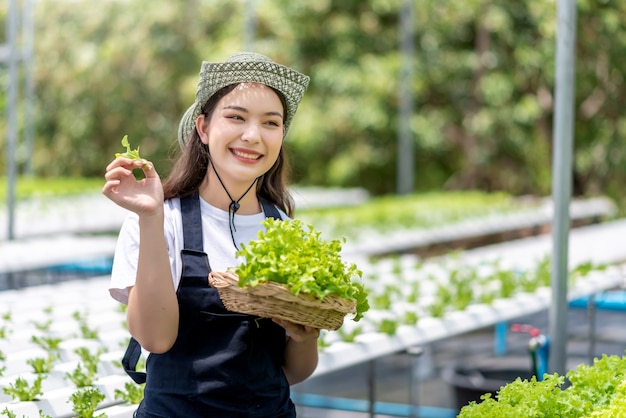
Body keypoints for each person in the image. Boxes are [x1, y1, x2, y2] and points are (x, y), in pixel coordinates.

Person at [102, 51, 318, 418]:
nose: (252, 136)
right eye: (236, 117)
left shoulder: (283, 228)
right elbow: (155, 339)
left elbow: (294, 372)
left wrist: (306, 334)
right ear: (203, 128)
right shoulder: (162, 218)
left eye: (271, 123)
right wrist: (150, 217)